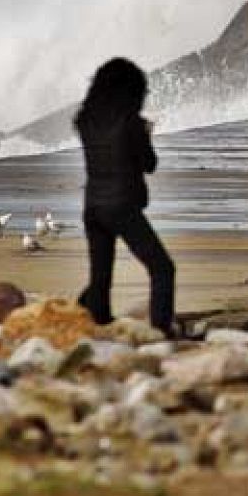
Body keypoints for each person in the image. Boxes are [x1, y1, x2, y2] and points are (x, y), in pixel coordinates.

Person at [74, 58, 176, 339]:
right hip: (121, 207)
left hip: (92, 207)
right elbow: (148, 164)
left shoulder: (85, 120)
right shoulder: (130, 123)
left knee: (101, 278)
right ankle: (161, 333)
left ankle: (92, 325)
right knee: (162, 268)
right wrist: (147, 135)